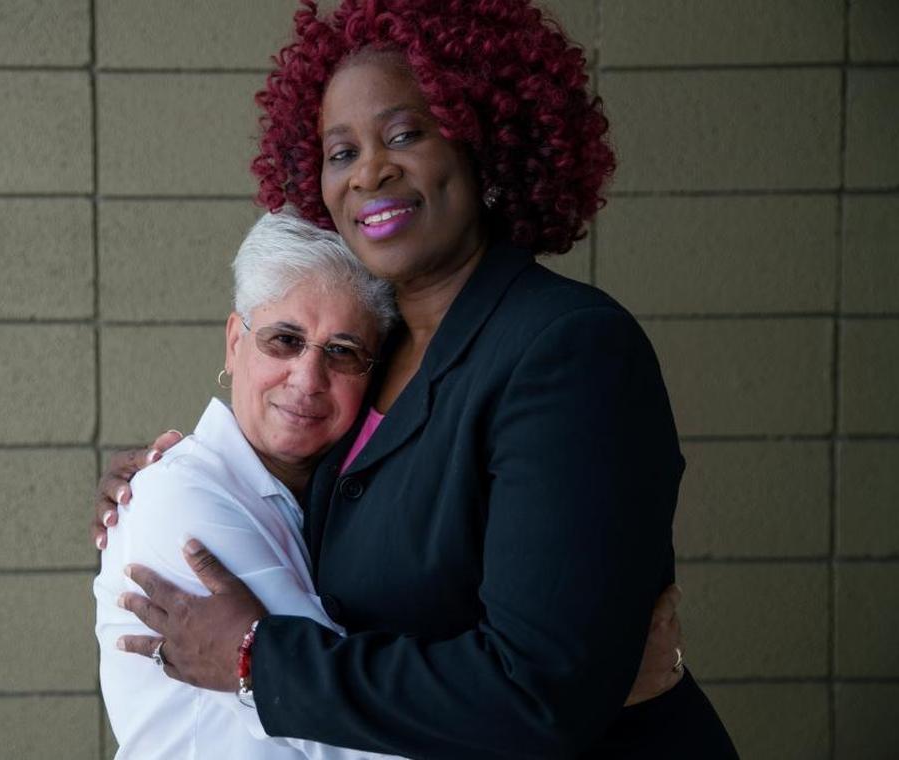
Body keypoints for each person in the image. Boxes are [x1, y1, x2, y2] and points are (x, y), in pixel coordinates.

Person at [95, 1, 736, 757]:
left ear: (483, 145)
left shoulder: (569, 352)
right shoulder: (373, 353)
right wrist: (172, 485)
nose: (371, 169)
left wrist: (255, 660)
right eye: (342, 151)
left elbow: (538, 692)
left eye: (405, 134)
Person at [96, 210, 683, 759]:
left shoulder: (315, 493)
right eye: (283, 340)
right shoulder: (184, 498)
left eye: (344, 353)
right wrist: (587, 696)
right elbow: (349, 743)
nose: (307, 378)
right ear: (234, 340)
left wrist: (583, 667)